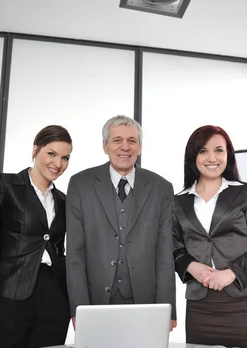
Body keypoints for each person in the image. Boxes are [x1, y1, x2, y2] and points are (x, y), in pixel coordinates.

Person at [66, 115, 176, 330]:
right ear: (105, 146)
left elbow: (165, 254)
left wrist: (168, 307)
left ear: (140, 147)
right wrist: (78, 307)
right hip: (95, 301)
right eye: (117, 140)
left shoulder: (161, 187)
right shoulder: (81, 184)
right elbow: (75, 254)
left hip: (146, 303)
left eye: (132, 141)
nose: (125, 147)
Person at [0, 125, 73, 348]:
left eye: (65, 157)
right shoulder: (5, 185)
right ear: (35, 150)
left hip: (53, 297)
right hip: (8, 293)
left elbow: (59, 248)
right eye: (51, 153)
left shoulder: (63, 200)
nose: (58, 163)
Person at [173, 125, 247, 348]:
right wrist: (191, 267)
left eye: (219, 150)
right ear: (193, 156)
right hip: (200, 307)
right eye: (203, 151)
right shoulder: (179, 202)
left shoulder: (245, 193)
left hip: (243, 304)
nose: (212, 158)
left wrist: (232, 272)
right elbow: (174, 247)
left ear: (228, 155)